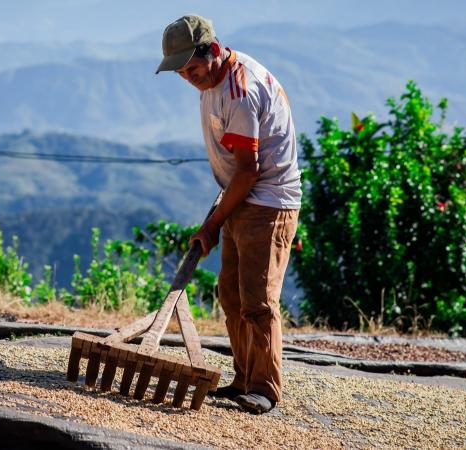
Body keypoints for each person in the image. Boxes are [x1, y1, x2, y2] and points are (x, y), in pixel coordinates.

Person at [155, 14, 301, 414]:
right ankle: (243, 379)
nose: (188, 77)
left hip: (268, 203)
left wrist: (213, 223)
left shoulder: (240, 89)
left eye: (193, 67)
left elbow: (249, 169)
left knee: (257, 300)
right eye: (181, 72)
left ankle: (265, 388)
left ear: (214, 51)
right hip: (240, 198)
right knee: (232, 296)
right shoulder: (213, 80)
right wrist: (220, 216)